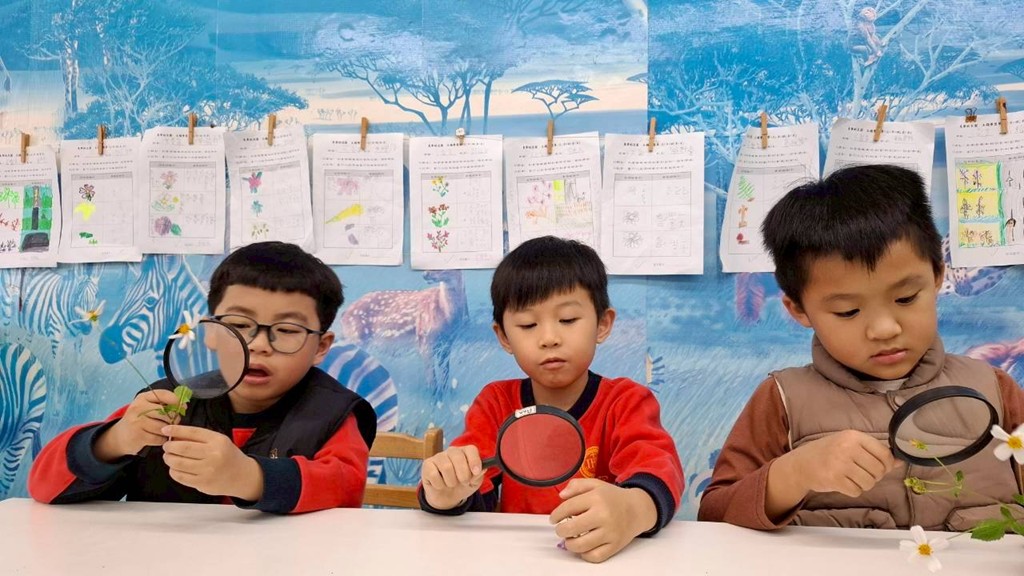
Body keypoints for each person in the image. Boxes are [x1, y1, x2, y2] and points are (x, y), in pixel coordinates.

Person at [698, 165, 1024, 531]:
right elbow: (715, 516)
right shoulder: (782, 399)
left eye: (906, 298)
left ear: (937, 277)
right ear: (798, 310)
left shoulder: (994, 388)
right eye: (847, 311)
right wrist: (793, 472)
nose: (885, 329)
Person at [30, 241, 377, 513]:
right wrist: (114, 441)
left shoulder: (331, 413)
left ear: (321, 347)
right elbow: (43, 487)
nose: (258, 345)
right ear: (210, 332)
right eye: (239, 325)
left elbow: (345, 489)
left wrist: (250, 477)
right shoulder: (168, 401)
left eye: (287, 330)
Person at [419, 236, 684, 563]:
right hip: (515, 561)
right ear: (504, 337)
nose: (549, 339)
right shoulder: (496, 403)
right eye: (528, 324)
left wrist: (633, 509)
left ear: (603, 324)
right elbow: (470, 495)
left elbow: (659, 471)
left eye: (568, 320)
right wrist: (446, 493)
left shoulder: (626, 401)